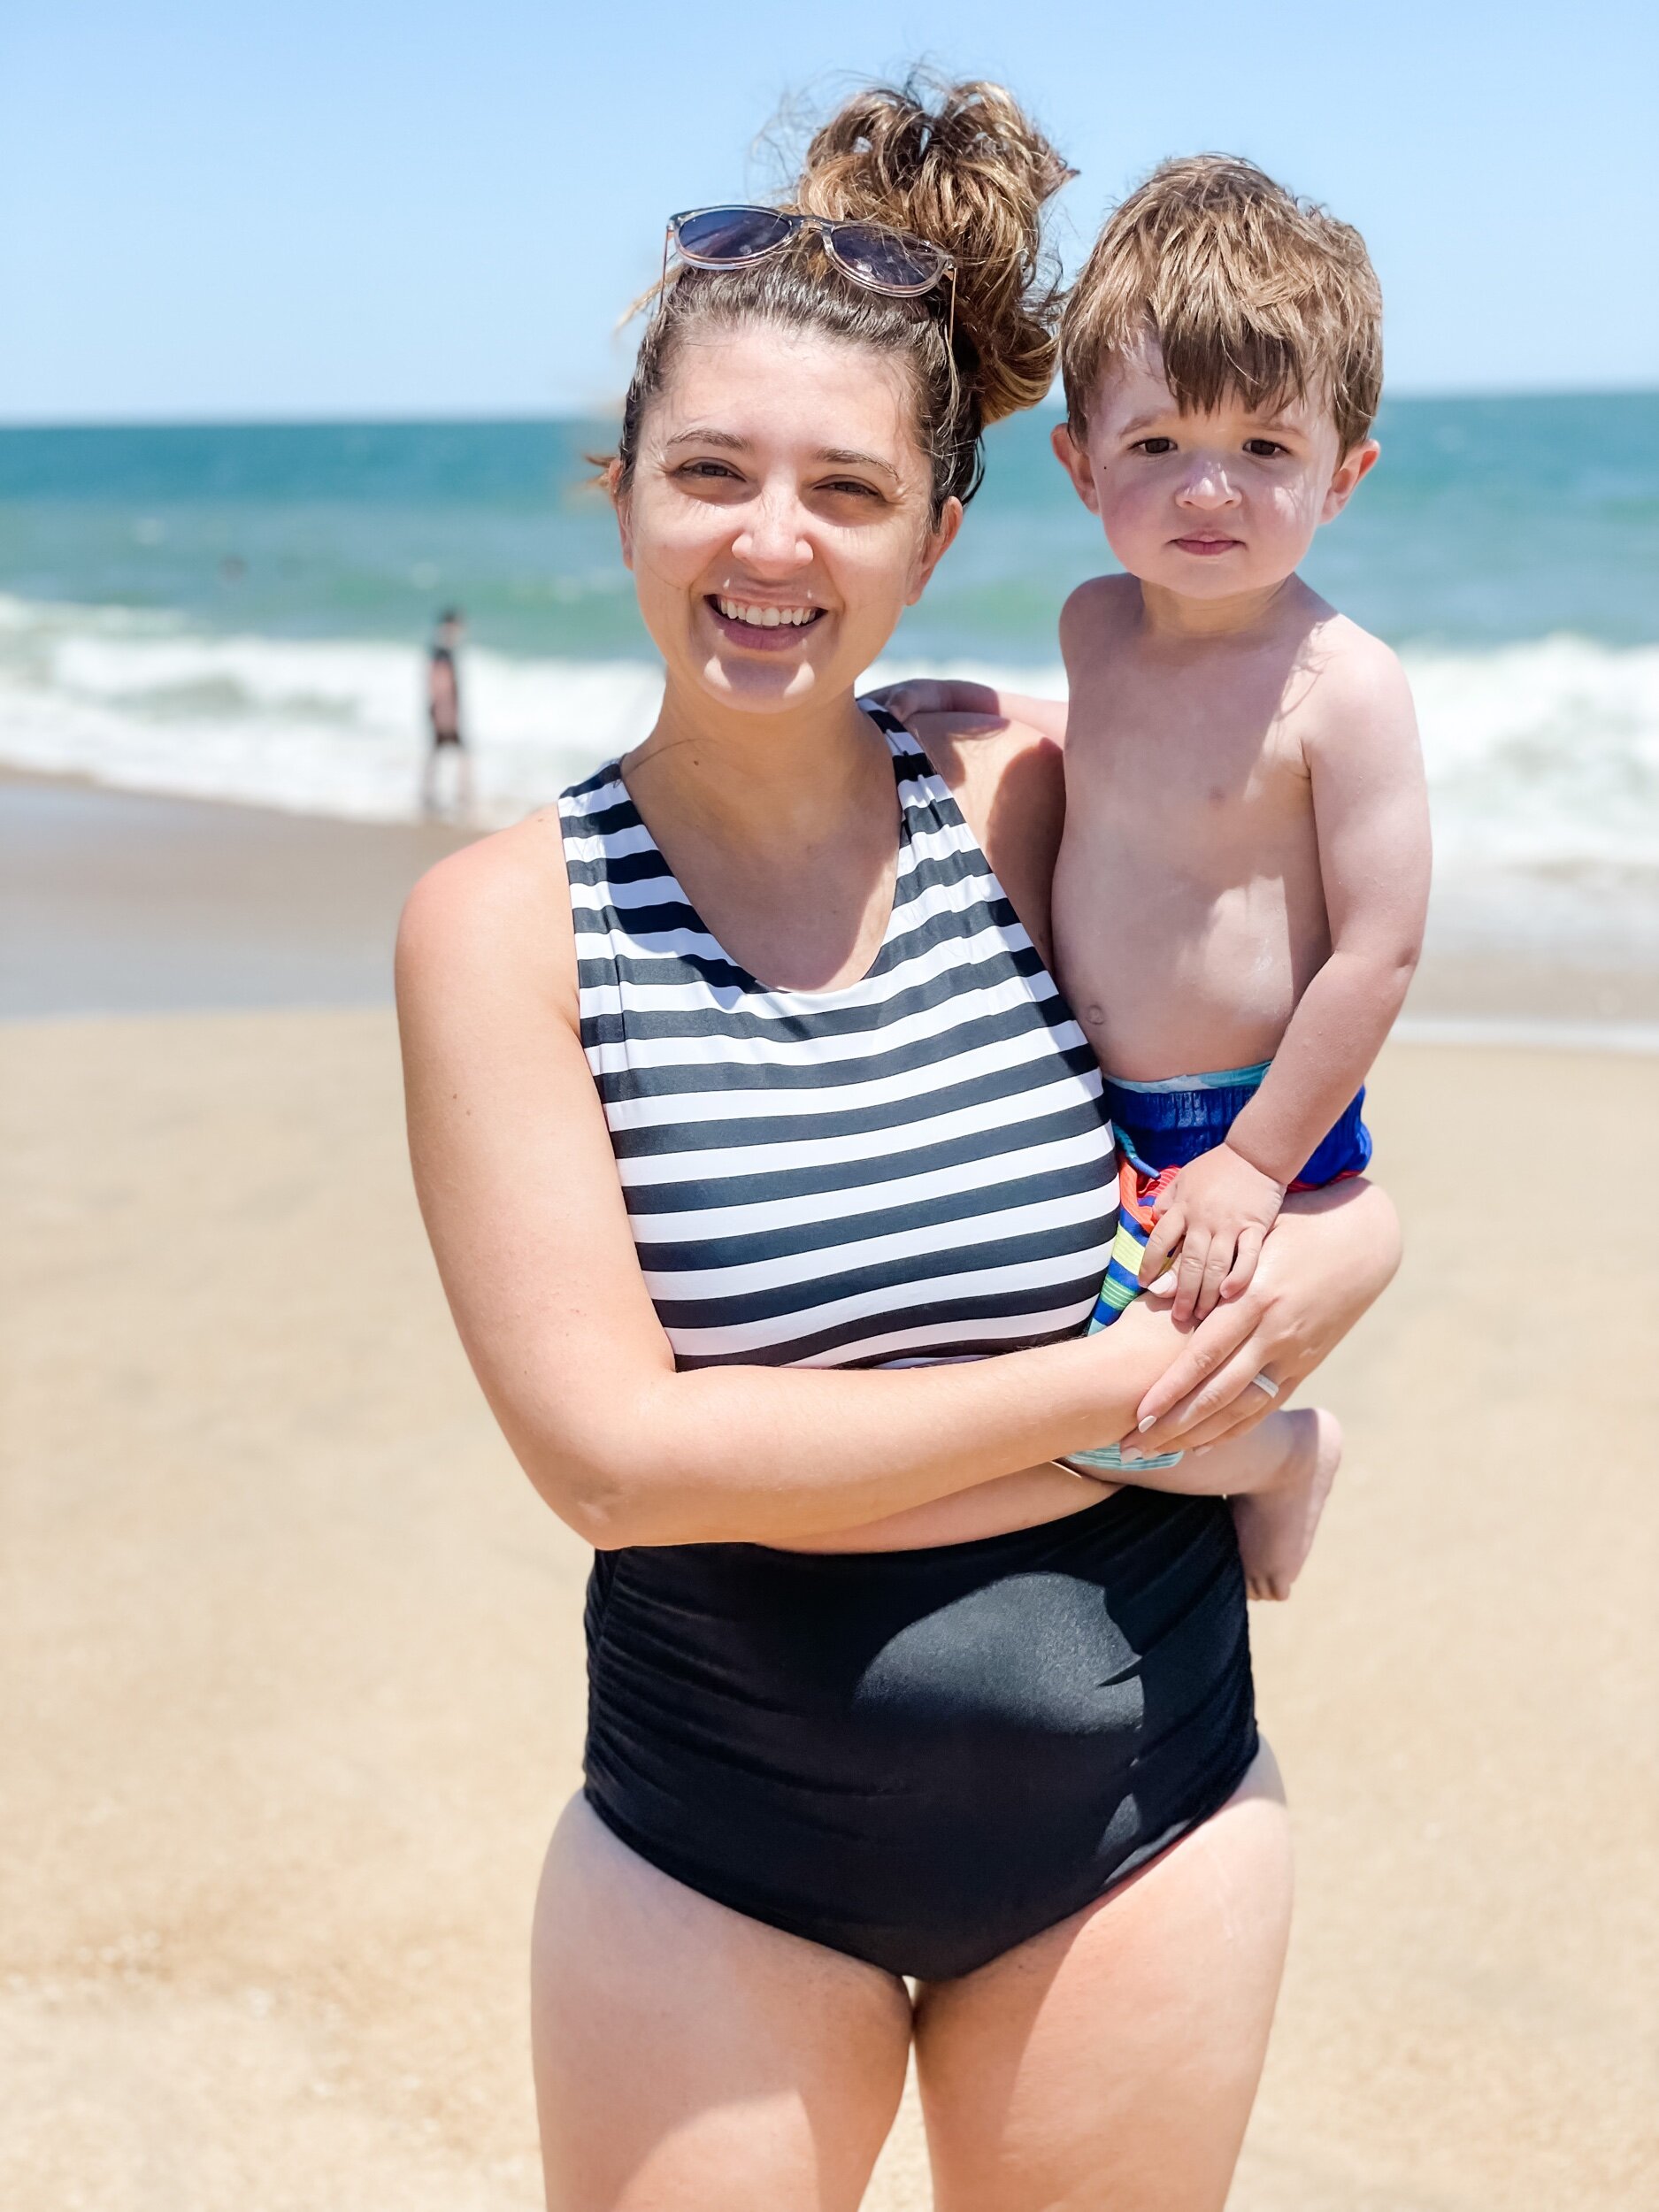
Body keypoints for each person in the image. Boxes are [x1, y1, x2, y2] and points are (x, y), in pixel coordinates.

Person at [397, 77, 1402, 2212]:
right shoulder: (504, 930)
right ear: (624, 497)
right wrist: (1198, 1432)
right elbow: (616, 1459)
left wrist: (1304, 1328)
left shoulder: (1015, 788)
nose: (772, 542)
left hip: (1143, 1808)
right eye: (711, 474)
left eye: (845, 489)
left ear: (933, 535)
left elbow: (1311, 1189)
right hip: (719, 1841)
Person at [891, 157, 1431, 1598]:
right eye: (1159, 447)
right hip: (1096, 1107)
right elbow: (1139, 771)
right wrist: (974, 720)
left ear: (1344, 471)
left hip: (1251, 1126)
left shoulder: (1345, 684)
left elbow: (1377, 951)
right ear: (1080, 464)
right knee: (1013, 1372)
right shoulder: (1095, 629)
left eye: (1265, 448)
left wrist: (1257, 1166)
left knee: (1116, 1424)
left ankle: (1288, 1455)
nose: (1211, 489)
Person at [420, 607, 475, 818]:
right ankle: (462, 800)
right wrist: (446, 715)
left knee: (436, 754)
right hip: (444, 712)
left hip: (440, 711)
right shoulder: (442, 651)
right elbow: (440, 683)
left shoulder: (438, 648)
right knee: (462, 755)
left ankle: (429, 797)